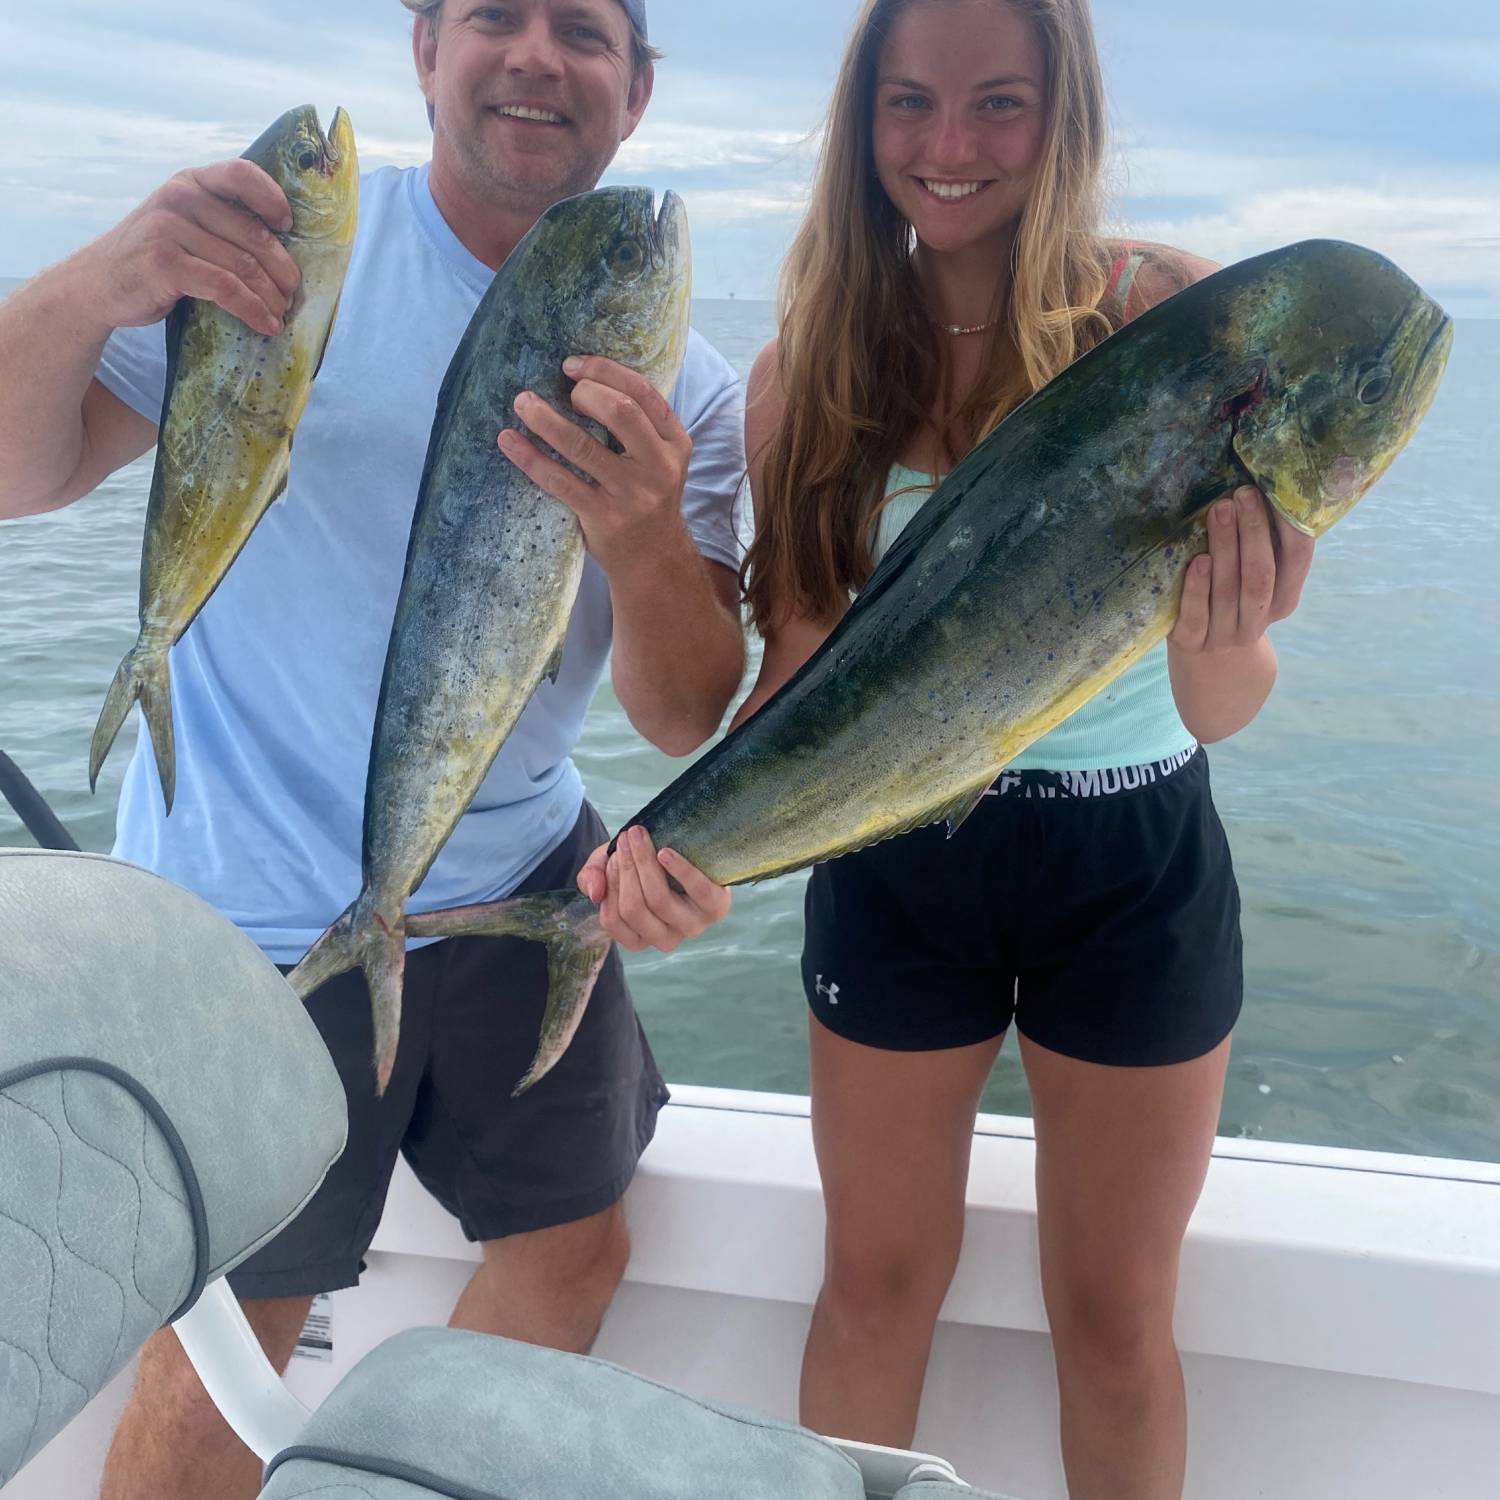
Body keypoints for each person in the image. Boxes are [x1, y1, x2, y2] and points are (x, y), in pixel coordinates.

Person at [0, 3, 746, 1497]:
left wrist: (647, 535)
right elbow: (25, 471)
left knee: (574, 1251)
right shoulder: (287, 265)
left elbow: (683, 713)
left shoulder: (694, 389)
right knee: (234, 1333)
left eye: (586, 31)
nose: (539, 56)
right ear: (424, 53)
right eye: (495, 16)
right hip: (246, 912)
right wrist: (104, 278)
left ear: (638, 92)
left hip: (518, 881)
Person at [576, 2, 1317, 1496]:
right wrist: (687, 856)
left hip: (1137, 857)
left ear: (1068, 113)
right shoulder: (811, 373)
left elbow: (1224, 702)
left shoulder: (1177, 323)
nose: (952, 148)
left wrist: (1226, 637)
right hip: (903, 857)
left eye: (1000, 103)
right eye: (909, 105)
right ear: (863, 126)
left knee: (1115, 1313)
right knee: (874, 1280)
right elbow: (794, 686)